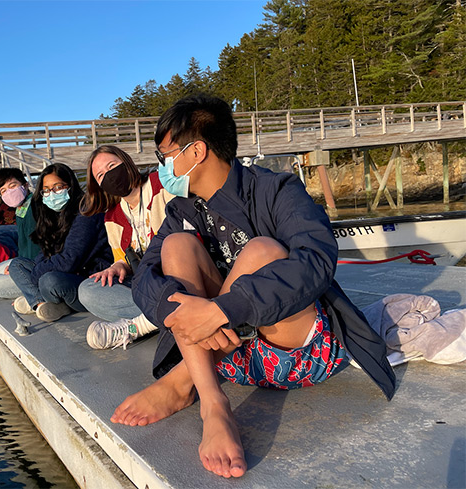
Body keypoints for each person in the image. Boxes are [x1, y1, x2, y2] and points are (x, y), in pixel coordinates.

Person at [111, 95, 396, 479]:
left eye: (166, 156)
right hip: (226, 352)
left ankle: (182, 380)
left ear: (196, 152)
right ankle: (213, 404)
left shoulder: (277, 190)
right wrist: (176, 310)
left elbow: (316, 260)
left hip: (293, 350)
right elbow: (144, 275)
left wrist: (221, 310)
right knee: (177, 247)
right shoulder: (183, 210)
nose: (161, 169)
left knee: (262, 250)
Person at [78, 145, 173, 349]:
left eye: (112, 166)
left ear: (127, 162)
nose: (109, 176)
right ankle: (170, 316)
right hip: (147, 284)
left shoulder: (161, 185)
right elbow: (122, 258)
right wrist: (118, 266)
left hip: (177, 275)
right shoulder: (112, 217)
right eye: (101, 175)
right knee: (87, 290)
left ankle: (138, 326)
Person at [8, 163, 113, 323]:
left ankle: (39, 300)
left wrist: (36, 273)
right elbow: (46, 252)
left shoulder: (86, 211)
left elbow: (69, 260)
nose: (52, 194)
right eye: (47, 190)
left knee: (49, 281)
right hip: (67, 272)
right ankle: (41, 303)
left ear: (70, 186)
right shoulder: (53, 214)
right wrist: (38, 267)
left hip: (87, 277)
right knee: (18, 265)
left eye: (58, 187)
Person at [0, 168, 41, 300]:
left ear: (25, 185)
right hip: (27, 262)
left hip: (40, 266)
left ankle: (35, 296)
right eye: (3, 190)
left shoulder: (36, 207)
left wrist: (18, 268)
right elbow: (25, 246)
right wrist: (16, 264)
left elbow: (37, 248)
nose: (9, 192)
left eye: (13, 186)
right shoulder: (21, 209)